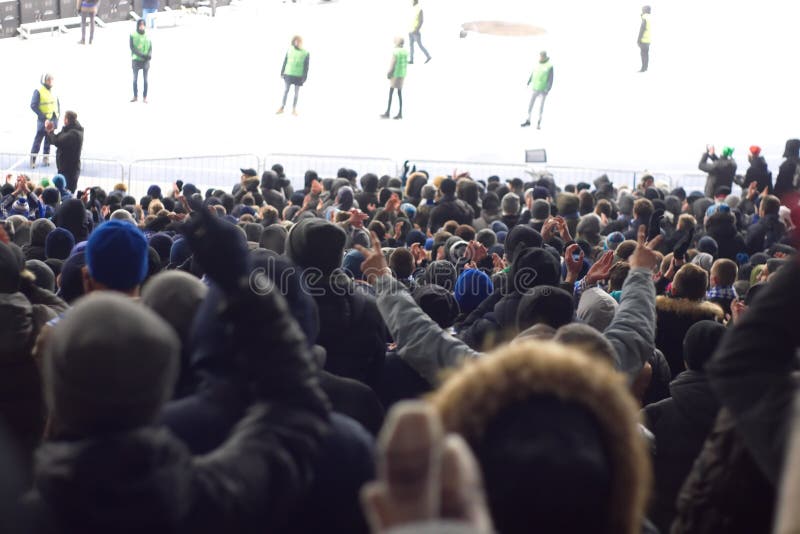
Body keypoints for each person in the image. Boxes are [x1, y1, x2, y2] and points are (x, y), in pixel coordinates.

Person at [44, 111, 84, 193]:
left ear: (66, 120)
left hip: (68, 169)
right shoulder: (74, 130)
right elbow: (56, 139)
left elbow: (57, 141)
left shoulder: (72, 134)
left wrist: (50, 131)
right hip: (70, 167)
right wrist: (51, 132)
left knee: (66, 191)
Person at [29, 74, 59, 169]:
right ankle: (32, 160)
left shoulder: (54, 91)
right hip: (43, 120)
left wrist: (56, 119)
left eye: (51, 80)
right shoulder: (39, 91)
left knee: (48, 140)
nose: (50, 82)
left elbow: (57, 105)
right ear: (44, 81)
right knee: (38, 140)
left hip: (52, 120)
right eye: (48, 80)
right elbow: (33, 105)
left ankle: (45, 158)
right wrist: (43, 117)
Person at [276, 35, 309, 116]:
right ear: (293, 41)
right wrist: (282, 72)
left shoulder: (305, 53)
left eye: (298, 41)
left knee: (296, 93)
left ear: (301, 42)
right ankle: (282, 107)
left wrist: (305, 77)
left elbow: (306, 66)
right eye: (295, 41)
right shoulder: (289, 50)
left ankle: (294, 109)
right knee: (286, 91)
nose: (296, 42)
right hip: (288, 74)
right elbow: (285, 61)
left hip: (298, 76)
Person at [520, 51, 553, 129]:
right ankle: (528, 120)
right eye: (540, 56)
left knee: (540, 107)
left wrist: (547, 89)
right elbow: (533, 73)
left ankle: (539, 123)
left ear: (545, 56)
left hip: (543, 90)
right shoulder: (537, 64)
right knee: (530, 104)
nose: (540, 57)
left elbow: (551, 79)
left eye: (542, 56)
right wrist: (529, 80)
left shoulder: (549, 66)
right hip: (535, 88)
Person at [381, 37, 408, 120]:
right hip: (402, 74)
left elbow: (393, 64)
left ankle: (388, 112)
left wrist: (389, 74)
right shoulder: (405, 51)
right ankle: (400, 113)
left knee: (391, 93)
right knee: (400, 94)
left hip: (395, 75)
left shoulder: (395, 51)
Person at [130, 19, 152, 103]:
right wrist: (142, 55)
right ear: (138, 26)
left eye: (143, 25)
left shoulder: (148, 35)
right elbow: (132, 48)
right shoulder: (133, 35)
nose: (142, 26)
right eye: (140, 25)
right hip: (136, 60)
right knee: (135, 80)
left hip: (145, 60)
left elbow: (150, 46)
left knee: (145, 80)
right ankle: (135, 96)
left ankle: (145, 97)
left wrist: (149, 55)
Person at [408, 0, 431, 65]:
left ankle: (428, 56)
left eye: (412, 1)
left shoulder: (419, 9)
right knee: (411, 46)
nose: (411, 2)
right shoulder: (412, 9)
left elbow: (421, 20)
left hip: (415, 32)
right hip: (410, 31)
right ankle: (411, 60)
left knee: (420, 45)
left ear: (415, 1)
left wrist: (416, 29)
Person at [637, 5, 652, 72]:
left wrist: (638, 39)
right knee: (646, 54)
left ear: (645, 10)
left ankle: (643, 68)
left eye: (642, 10)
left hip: (643, 40)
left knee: (643, 54)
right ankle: (645, 67)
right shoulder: (650, 18)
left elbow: (642, 29)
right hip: (648, 40)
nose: (642, 11)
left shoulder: (645, 18)